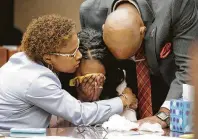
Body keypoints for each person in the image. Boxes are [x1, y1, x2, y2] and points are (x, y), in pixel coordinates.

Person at [0, 14, 135, 129]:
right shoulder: (37, 80)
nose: (79, 56)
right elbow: (81, 114)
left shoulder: (22, 60)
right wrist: (123, 100)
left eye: (77, 47)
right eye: (72, 53)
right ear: (48, 57)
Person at [80, 0, 198, 128]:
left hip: (170, 89)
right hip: (123, 102)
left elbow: (189, 68)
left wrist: (164, 115)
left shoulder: (176, 4)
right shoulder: (89, 13)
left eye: (132, 54)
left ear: (143, 31)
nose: (132, 59)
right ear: (104, 29)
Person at [55, 28, 138, 127]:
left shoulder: (117, 78)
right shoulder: (57, 84)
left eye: (100, 78)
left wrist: (97, 100)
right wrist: (83, 100)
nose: (94, 84)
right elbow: (59, 128)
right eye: (87, 79)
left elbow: (129, 124)